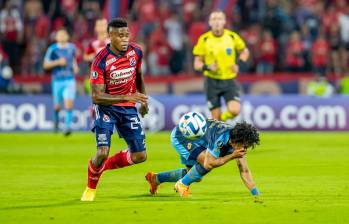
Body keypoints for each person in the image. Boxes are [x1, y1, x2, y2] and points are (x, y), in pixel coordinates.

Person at [81, 18, 149, 202]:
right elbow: (96, 96)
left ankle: (103, 167)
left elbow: (139, 75)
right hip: (106, 108)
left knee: (140, 156)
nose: (125, 38)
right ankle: (90, 188)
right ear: (110, 36)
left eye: (126, 34)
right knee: (102, 152)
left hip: (128, 108)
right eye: (120, 35)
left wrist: (143, 100)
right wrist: (127, 97)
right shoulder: (100, 60)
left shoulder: (136, 51)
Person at [145, 119, 261, 200]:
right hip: (183, 136)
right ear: (236, 140)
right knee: (206, 165)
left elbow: (244, 170)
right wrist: (231, 156)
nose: (245, 149)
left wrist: (256, 194)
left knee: (195, 175)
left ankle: (156, 178)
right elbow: (209, 164)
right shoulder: (221, 138)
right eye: (245, 145)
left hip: (197, 140)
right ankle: (182, 185)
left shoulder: (236, 141)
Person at [193, 10, 249, 122]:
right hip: (212, 81)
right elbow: (197, 63)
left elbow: (245, 51)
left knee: (235, 111)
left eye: (219, 19)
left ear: (224, 21)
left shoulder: (232, 37)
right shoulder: (204, 39)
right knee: (215, 118)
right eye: (214, 19)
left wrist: (239, 64)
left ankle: (222, 118)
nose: (217, 22)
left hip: (229, 80)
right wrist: (208, 67)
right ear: (209, 22)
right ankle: (218, 124)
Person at [43, 28, 78, 136]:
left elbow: (73, 59)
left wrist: (75, 66)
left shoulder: (72, 48)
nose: (62, 36)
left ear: (67, 36)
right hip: (57, 80)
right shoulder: (52, 49)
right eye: (60, 35)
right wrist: (57, 62)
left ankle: (67, 127)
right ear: (56, 37)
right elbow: (45, 65)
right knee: (57, 106)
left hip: (69, 79)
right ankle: (56, 123)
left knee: (69, 104)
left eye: (64, 34)